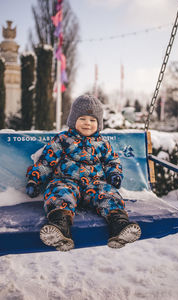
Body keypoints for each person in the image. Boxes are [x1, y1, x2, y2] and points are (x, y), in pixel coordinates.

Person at [26, 94, 141, 251]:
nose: (88, 123)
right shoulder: (63, 139)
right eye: (83, 118)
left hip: (94, 184)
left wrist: (114, 174)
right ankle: (60, 228)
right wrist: (35, 179)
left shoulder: (102, 143)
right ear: (73, 120)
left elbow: (112, 161)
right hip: (66, 181)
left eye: (93, 120)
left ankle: (119, 224)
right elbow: (47, 161)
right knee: (59, 192)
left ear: (98, 123)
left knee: (108, 193)